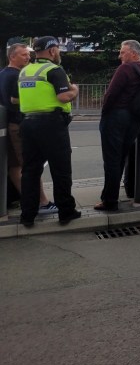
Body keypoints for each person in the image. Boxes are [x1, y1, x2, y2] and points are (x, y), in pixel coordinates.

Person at [17, 36, 81, 227]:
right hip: (51, 125)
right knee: (60, 170)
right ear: (52, 50)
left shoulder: (24, 71)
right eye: (58, 50)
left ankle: (27, 215)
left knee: (30, 170)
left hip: (27, 124)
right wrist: (75, 90)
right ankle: (66, 212)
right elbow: (63, 96)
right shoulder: (54, 70)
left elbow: (14, 99)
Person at [95, 39, 140, 211]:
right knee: (121, 157)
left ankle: (109, 200)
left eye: (122, 52)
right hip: (136, 119)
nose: (119, 55)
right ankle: (113, 194)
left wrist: (104, 114)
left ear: (134, 53)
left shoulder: (125, 68)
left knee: (111, 160)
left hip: (116, 117)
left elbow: (111, 94)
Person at [0, 42, 55, 214]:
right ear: (12, 56)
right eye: (24, 54)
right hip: (17, 125)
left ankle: (30, 200)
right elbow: (15, 101)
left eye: (28, 54)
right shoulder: (16, 75)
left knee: (16, 166)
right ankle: (41, 202)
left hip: (8, 126)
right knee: (30, 166)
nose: (28, 57)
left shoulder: (2, 73)